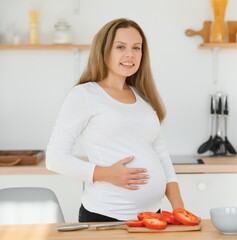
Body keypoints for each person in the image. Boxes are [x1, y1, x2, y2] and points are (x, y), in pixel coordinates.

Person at [46, 18, 184, 222]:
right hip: (105, 216)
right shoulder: (85, 94)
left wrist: (179, 207)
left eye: (136, 48)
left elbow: (161, 153)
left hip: (151, 217)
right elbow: (55, 158)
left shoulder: (143, 97)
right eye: (120, 47)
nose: (130, 54)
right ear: (104, 51)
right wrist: (105, 174)